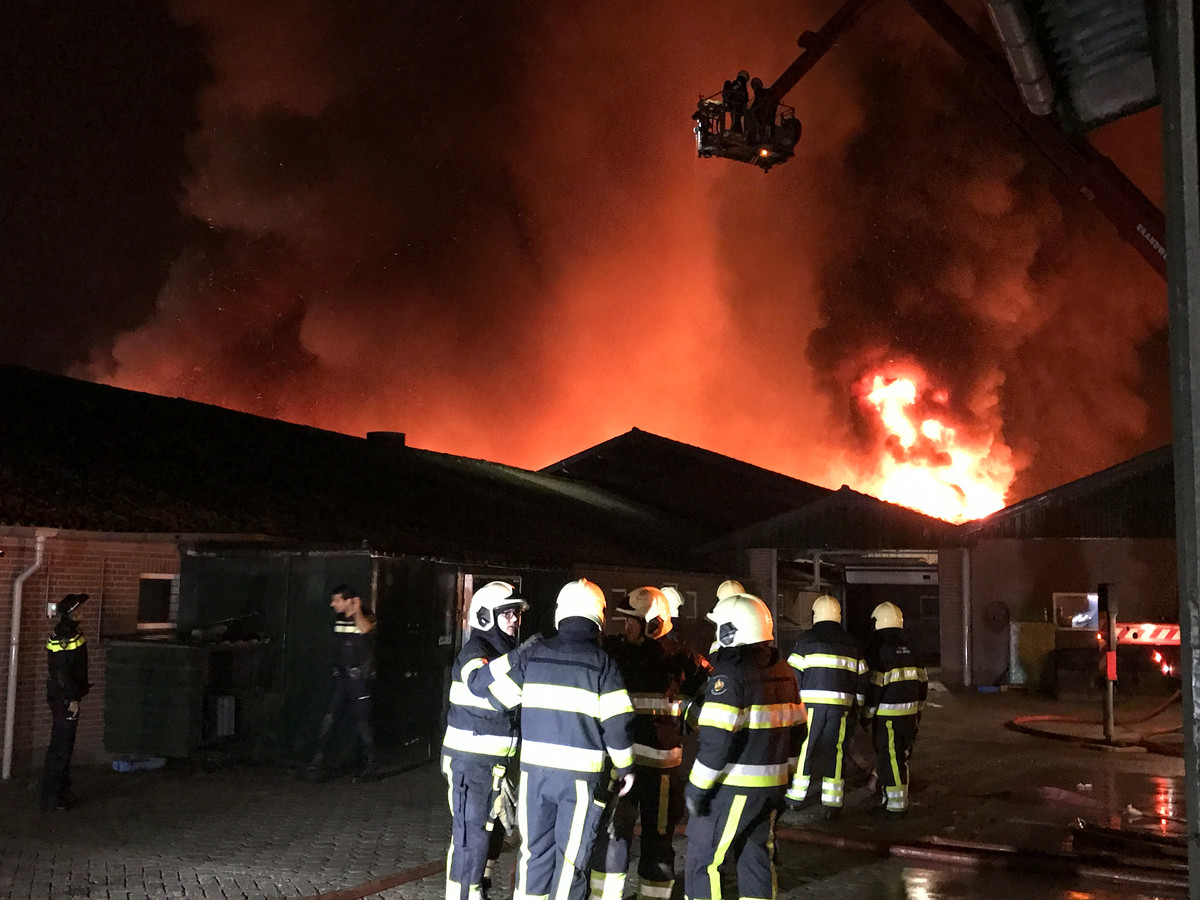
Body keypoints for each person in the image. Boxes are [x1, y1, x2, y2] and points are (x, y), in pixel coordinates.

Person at [482, 579, 635, 900]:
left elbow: (497, 700)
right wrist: (625, 767)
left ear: (559, 614)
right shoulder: (603, 664)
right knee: (570, 863)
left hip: (534, 777)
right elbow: (618, 724)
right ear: (599, 616)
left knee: (533, 854)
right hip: (579, 782)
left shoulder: (534, 654)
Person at [590, 587, 712, 900]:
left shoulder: (683, 659)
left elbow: (713, 694)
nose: (625, 626)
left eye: (632, 621)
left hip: (661, 771)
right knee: (614, 837)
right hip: (625, 767)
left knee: (658, 842)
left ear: (654, 623)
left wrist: (690, 711)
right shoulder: (615, 652)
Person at [684, 592, 805, 900]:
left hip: (734, 789)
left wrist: (696, 791)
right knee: (755, 859)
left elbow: (716, 743)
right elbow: (798, 732)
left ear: (729, 632)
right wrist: (785, 775)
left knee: (703, 862)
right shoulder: (784, 672)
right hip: (770, 789)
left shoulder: (730, 677)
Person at [442, 581, 529, 900]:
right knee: (471, 839)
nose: (514, 619)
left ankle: (480, 888)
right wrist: (520, 660)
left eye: (516, 613)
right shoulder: (475, 652)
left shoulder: (505, 652)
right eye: (506, 613)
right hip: (470, 764)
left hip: (496, 766)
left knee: (489, 838)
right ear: (484, 616)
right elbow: (485, 685)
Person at [785, 594, 867, 819]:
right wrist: (857, 706)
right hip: (840, 707)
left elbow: (793, 676)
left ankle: (795, 797)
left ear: (815, 615)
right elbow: (862, 679)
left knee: (805, 749)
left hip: (809, 707)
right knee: (836, 750)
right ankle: (832, 803)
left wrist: (792, 707)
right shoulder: (852, 643)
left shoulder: (805, 641)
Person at [862, 602, 928, 816]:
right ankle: (891, 798)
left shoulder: (881, 650)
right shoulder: (913, 649)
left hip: (887, 717)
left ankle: (896, 806)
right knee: (901, 757)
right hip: (909, 716)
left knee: (889, 759)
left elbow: (875, 687)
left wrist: (866, 715)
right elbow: (923, 684)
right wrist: (918, 712)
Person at [306, 584, 377, 782]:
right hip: (342, 678)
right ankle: (317, 762)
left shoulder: (367, 616)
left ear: (349, 601)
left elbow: (366, 630)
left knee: (362, 722)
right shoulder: (338, 619)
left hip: (359, 680)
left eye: (337, 600)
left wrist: (357, 611)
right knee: (329, 717)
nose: (333, 604)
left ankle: (371, 765)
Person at [41, 593, 91, 812]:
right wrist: (71, 698)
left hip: (66, 697)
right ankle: (52, 797)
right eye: (80, 609)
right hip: (64, 699)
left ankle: (62, 790)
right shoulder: (64, 635)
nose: (83, 612)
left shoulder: (70, 632)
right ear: (72, 612)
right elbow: (62, 671)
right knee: (60, 746)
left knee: (65, 745)